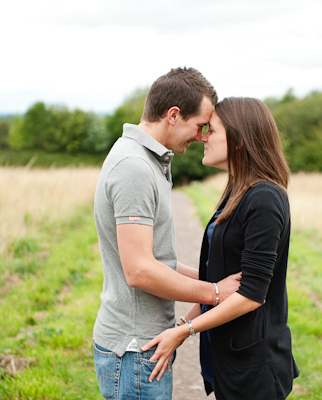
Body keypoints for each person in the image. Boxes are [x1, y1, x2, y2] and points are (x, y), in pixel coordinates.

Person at [92, 67, 241, 400]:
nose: (203, 136)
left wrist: (212, 279)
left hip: (143, 345)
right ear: (173, 115)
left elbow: (158, 261)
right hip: (134, 349)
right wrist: (214, 294)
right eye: (200, 125)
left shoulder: (146, 160)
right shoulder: (135, 168)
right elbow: (140, 270)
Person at [142, 97, 300, 399]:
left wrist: (183, 331)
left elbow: (250, 295)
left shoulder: (264, 197)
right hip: (230, 361)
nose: (202, 137)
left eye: (211, 131)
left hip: (255, 368)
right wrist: (184, 325)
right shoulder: (237, 191)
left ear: (239, 140)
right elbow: (219, 282)